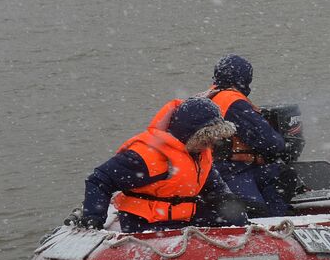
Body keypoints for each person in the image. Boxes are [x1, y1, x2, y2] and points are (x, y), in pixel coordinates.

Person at [76, 97, 246, 233]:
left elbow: (217, 190)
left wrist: (238, 217)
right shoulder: (148, 156)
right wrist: (93, 220)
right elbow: (99, 180)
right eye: (206, 139)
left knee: (233, 213)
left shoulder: (200, 154)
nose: (210, 145)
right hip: (146, 224)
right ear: (191, 135)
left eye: (213, 140)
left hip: (182, 218)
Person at [204, 54, 303, 217]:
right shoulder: (233, 102)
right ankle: (275, 224)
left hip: (209, 169)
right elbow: (268, 141)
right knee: (256, 211)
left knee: (282, 175)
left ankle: (279, 218)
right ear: (244, 78)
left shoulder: (209, 96)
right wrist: (283, 145)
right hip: (232, 170)